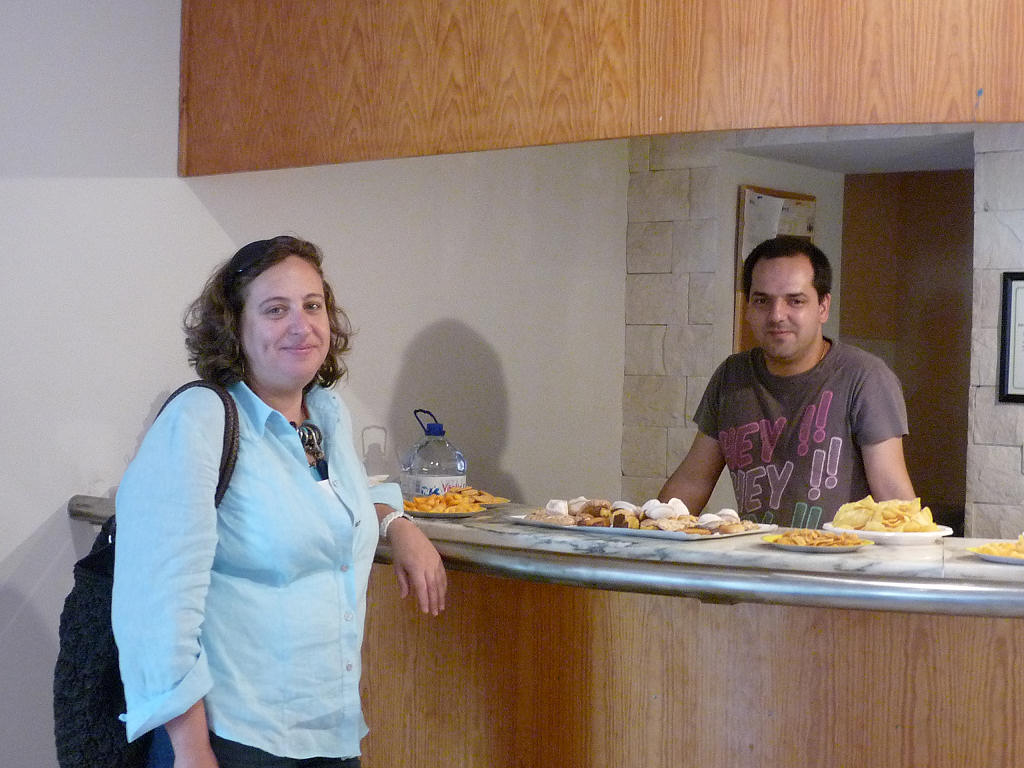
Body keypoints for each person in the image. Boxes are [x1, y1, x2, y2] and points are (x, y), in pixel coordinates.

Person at [112, 236, 447, 768]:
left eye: (312, 306)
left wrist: (397, 525)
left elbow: (340, 498)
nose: (300, 325)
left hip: (331, 736)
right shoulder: (201, 420)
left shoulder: (325, 415)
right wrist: (191, 751)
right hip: (232, 740)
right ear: (234, 328)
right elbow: (156, 607)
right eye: (275, 310)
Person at [658, 235, 915, 528]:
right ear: (748, 308)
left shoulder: (865, 377)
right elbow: (692, 483)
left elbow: (893, 496)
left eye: (795, 301)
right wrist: (648, 530)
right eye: (762, 301)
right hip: (755, 554)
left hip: (838, 555)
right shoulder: (731, 376)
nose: (777, 315)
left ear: (823, 307)